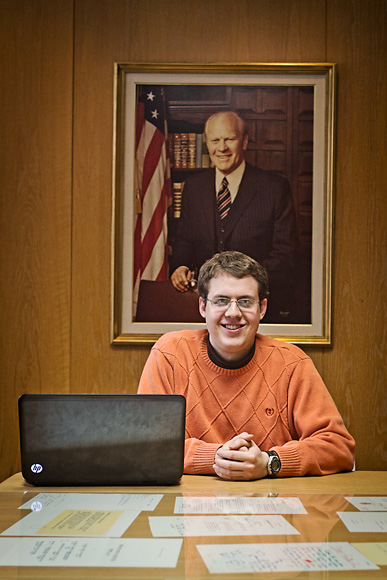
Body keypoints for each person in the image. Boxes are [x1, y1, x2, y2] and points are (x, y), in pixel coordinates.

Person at [138, 251, 355, 480]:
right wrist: (216, 458)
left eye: (245, 301)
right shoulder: (170, 354)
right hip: (188, 504)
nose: (233, 313)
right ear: (203, 306)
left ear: (261, 309)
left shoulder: (292, 364)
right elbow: (144, 443)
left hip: (272, 504)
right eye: (221, 300)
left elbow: (338, 446)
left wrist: (270, 461)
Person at [169, 112, 298, 321]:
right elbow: (184, 239)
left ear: (244, 142)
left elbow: (286, 255)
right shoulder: (194, 187)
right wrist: (180, 266)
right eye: (215, 140)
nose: (222, 148)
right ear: (207, 143)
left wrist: (241, 285)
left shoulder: (274, 188)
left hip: (255, 310)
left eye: (229, 139)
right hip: (202, 309)